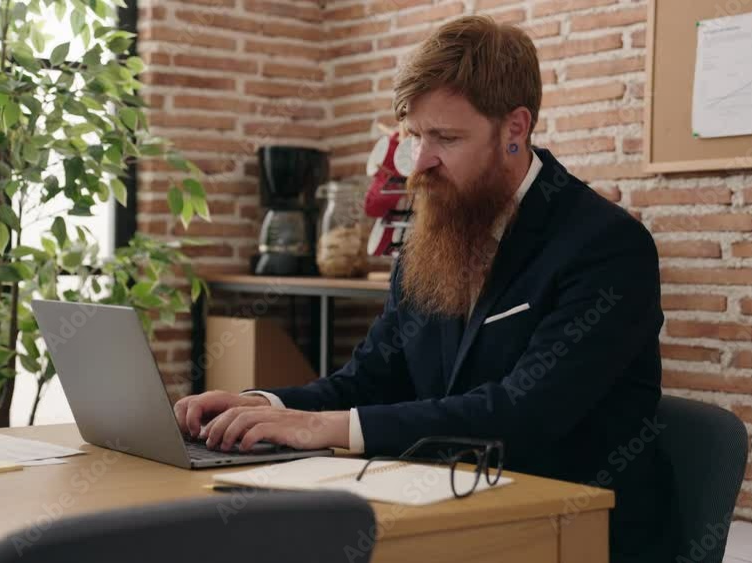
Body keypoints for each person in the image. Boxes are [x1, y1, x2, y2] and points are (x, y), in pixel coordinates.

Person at [174, 15, 671, 563]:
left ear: (515, 129)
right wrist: (262, 406)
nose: (421, 161)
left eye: (446, 138)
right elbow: (371, 378)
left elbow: (524, 413)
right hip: (448, 513)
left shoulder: (607, 246)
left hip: (575, 532)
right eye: (414, 136)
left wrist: (320, 427)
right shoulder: (433, 232)